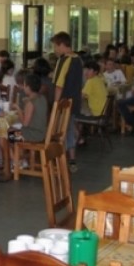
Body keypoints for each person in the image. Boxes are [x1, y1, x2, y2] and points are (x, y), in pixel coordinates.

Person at [50, 31, 83, 172]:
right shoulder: (78, 59)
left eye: (55, 46)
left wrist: (56, 104)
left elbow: (59, 85)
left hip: (63, 103)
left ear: (62, 45)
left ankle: (60, 160)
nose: (54, 50)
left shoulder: (64, 60)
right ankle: (72, 160)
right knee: (69, 131)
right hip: (74, 102)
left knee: (60, 133)